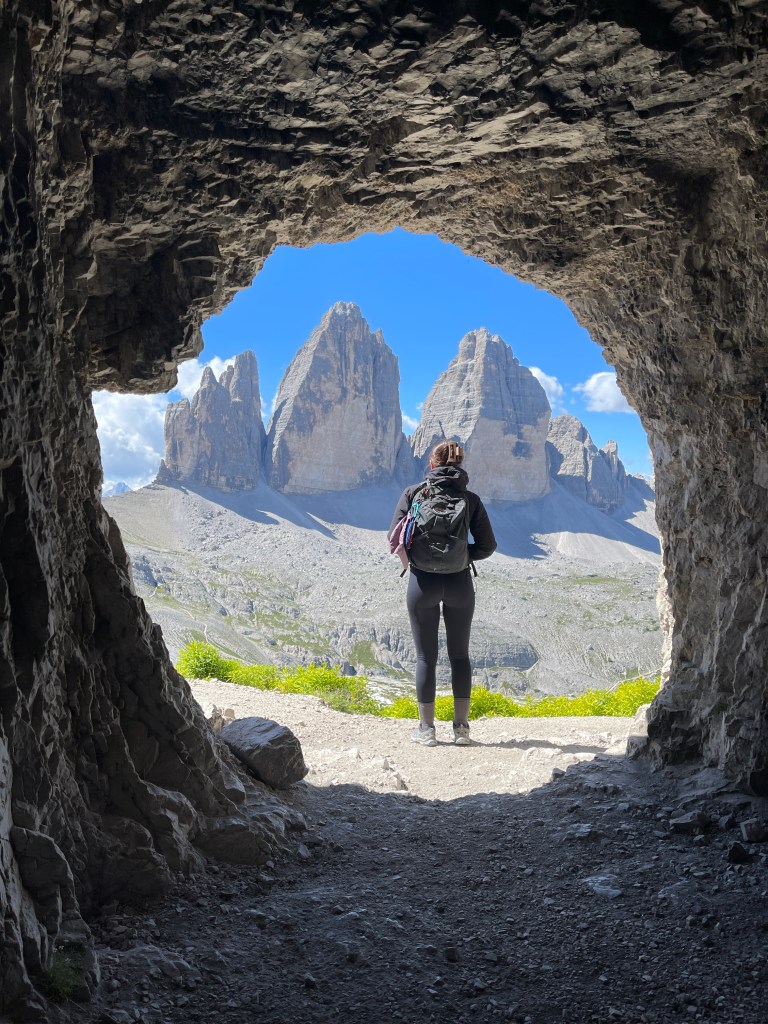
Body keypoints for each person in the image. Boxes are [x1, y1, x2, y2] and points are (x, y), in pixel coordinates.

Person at [388, 440, 496, 746]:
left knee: (426, 657)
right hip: (460, 583)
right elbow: (488, 546)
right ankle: (461, 729)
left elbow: (393, 538)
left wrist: (422, 557)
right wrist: (462, 555)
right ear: (461, 466)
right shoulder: (470, 499)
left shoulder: (413, 493)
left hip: (422, 584)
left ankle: (426, 730)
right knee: (460, 655)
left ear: (431, 465)